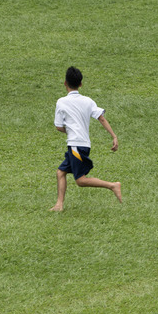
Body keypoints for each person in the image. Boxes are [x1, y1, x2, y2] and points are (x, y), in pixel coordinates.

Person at [50, 66, 122, 212]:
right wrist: (114, 136)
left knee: (80, 180)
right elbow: (101, 118)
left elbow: (58, 127)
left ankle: (113, 185)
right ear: (81, 84)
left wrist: (69, 131)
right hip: (82, 145)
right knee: (60, 172)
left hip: (76, 145)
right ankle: (59, 205)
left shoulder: (61, 102)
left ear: (65, 83)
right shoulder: (88, 101)